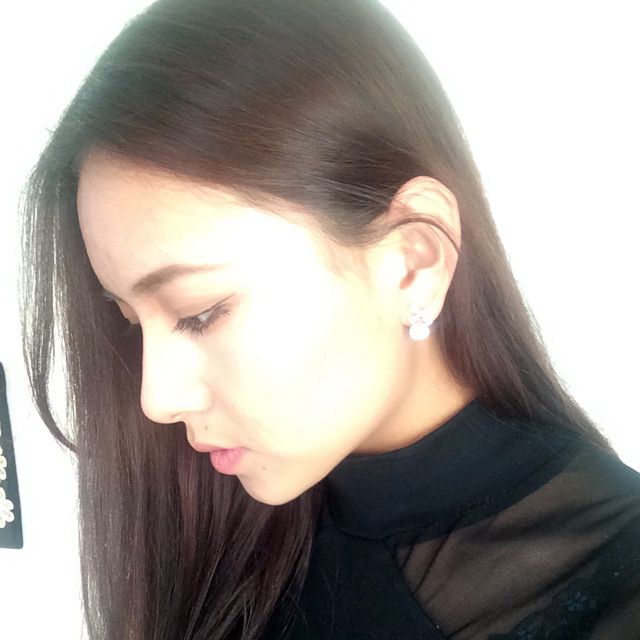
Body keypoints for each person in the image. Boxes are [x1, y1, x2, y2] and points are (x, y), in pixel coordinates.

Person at [19, 0, 639, 638]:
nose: (157, 400)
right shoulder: (215, 531)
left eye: (201, 313)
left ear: (412, 262)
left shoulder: (615, 588)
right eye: (131, 321)